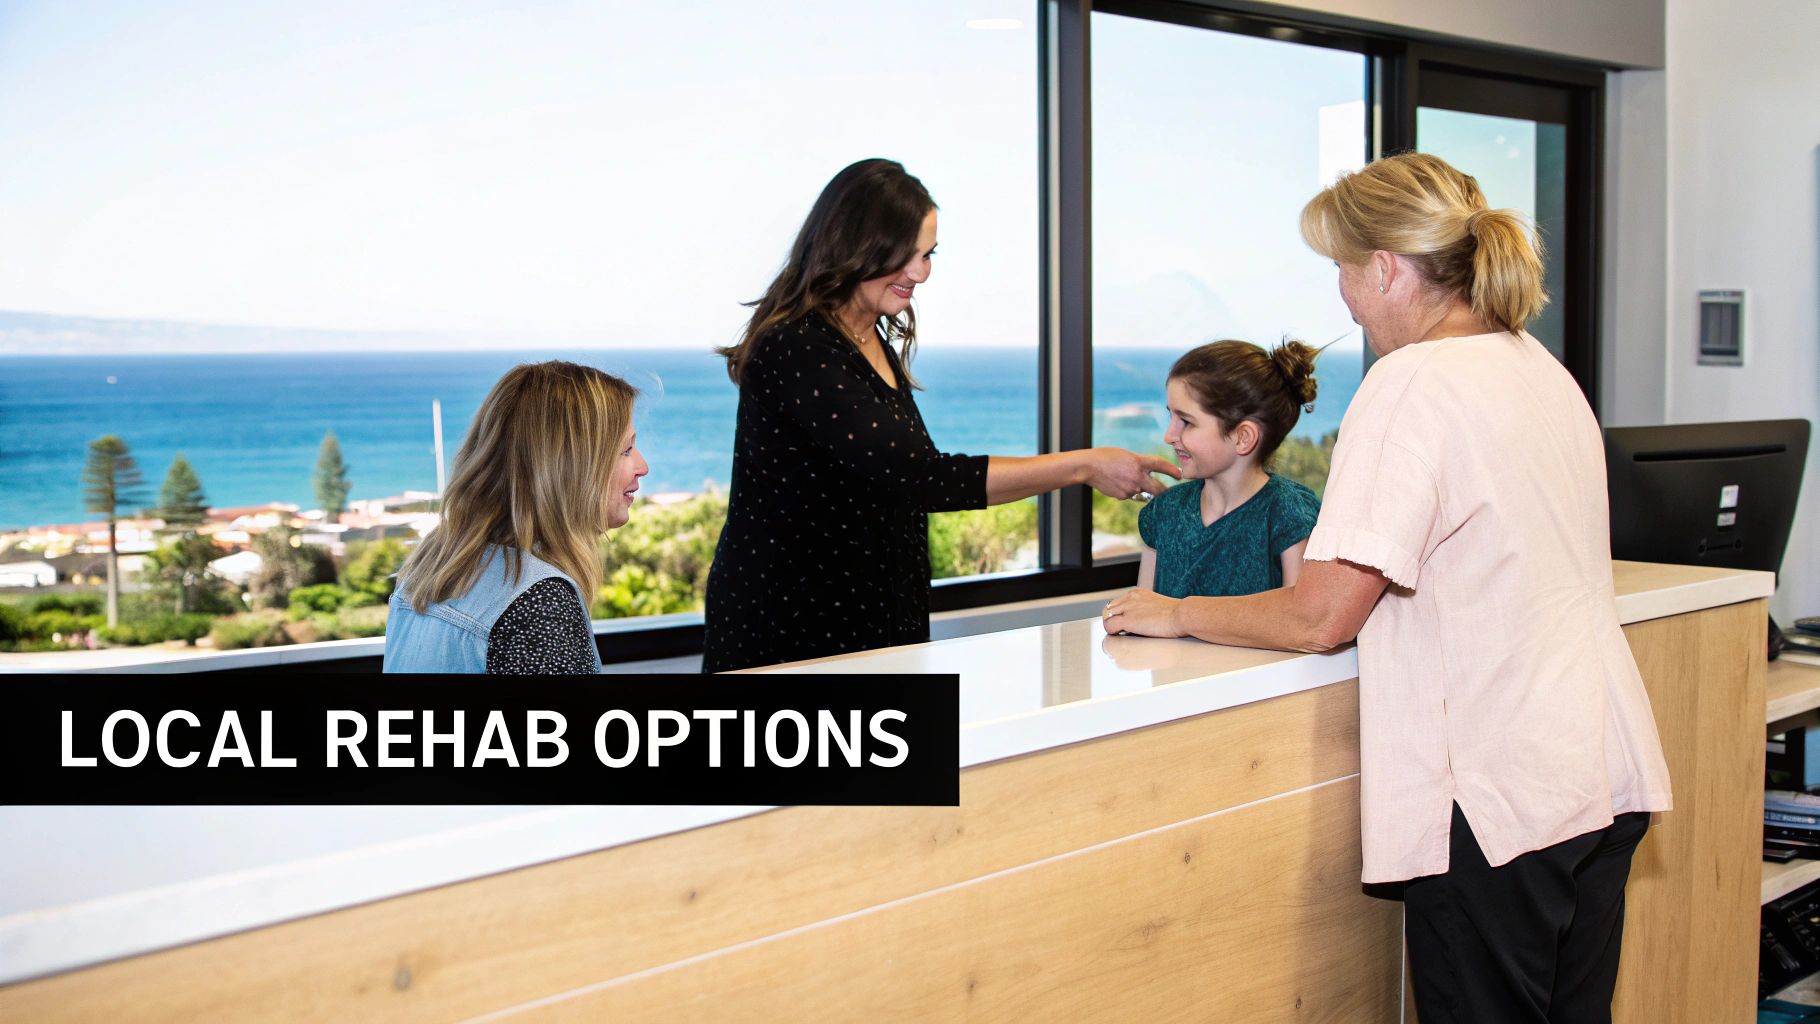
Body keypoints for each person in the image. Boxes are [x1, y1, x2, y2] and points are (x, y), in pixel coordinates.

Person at [1103, 152, 1671, 1024]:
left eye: (1340, 267)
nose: (1342, 295)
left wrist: (1176, 613)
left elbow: (1322, 613)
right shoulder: (1534, 367)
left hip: (1495, 795)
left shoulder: (1411, 384)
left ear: (1385, 267)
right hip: (1590, 765)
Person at [703, 158, 1177, 672]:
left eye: (928, 255)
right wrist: (1084, 466)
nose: (919, 273)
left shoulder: (868, 340)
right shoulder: (797, 347)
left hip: (874, 625)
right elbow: (921, 476)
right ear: (853, 246)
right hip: (793, 631)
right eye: (903, 255)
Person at [383, 361, 647, 674]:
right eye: (626, 449)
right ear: (571, 466)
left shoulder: (429, 567)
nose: (642, 466)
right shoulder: (537, 602)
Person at [1135, 339, 1321, 600]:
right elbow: (1141, 613)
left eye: (1186, 421)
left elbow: (1299, 622)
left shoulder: (1287, 514)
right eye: (1171, 417)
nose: (1169, 435)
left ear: (1243, 437)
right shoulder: (1164, 512)